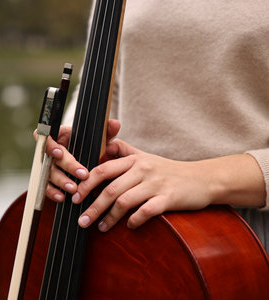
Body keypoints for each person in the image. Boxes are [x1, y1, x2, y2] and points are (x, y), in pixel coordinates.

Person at [41, 0, 269, 252]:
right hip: (121, 226)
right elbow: (106, 81)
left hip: (246, 235)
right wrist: (70, 148)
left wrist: (199, 177)